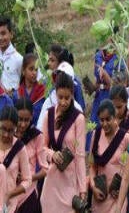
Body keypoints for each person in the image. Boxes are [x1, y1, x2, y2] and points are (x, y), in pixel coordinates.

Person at [40, 72, 86, 210]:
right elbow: (41, 147)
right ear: (55, 94)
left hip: (71, 181)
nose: (64, 102)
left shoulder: (78, 119)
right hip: (52, 179)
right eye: (60, 97)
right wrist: (51, 154)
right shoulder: (48, 115)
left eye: (67, 97)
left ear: (72, 94)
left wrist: (82, 188)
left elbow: (80, 155)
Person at [87, 99, 129, 213]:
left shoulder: (125, 138)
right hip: (100, 195)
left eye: (108, 119)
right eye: (101, 120)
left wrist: (123, 187)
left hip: (118, 196)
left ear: (114, 117)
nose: (105, 124)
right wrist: (93, 186)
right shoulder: (95, 135)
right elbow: (92, 166)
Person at [13, 98, 45, 213]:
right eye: (19, 119)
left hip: (28, 194)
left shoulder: (36, 136)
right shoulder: (8, 134)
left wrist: (28, 178)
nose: (22, 124)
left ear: (32, 117)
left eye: (26, 120)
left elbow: (44, 170)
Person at [13, 54, 46, 126]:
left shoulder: (44, 93)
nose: (34, 73)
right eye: (31, 69)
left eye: (36, 70)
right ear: (23, 71)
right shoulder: (17, 94)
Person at [0, 17, 22, 94]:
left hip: (12, 103)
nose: (0, 38)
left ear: (11, 34)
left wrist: (13, 92)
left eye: (3, 33)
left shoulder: (18, 59)